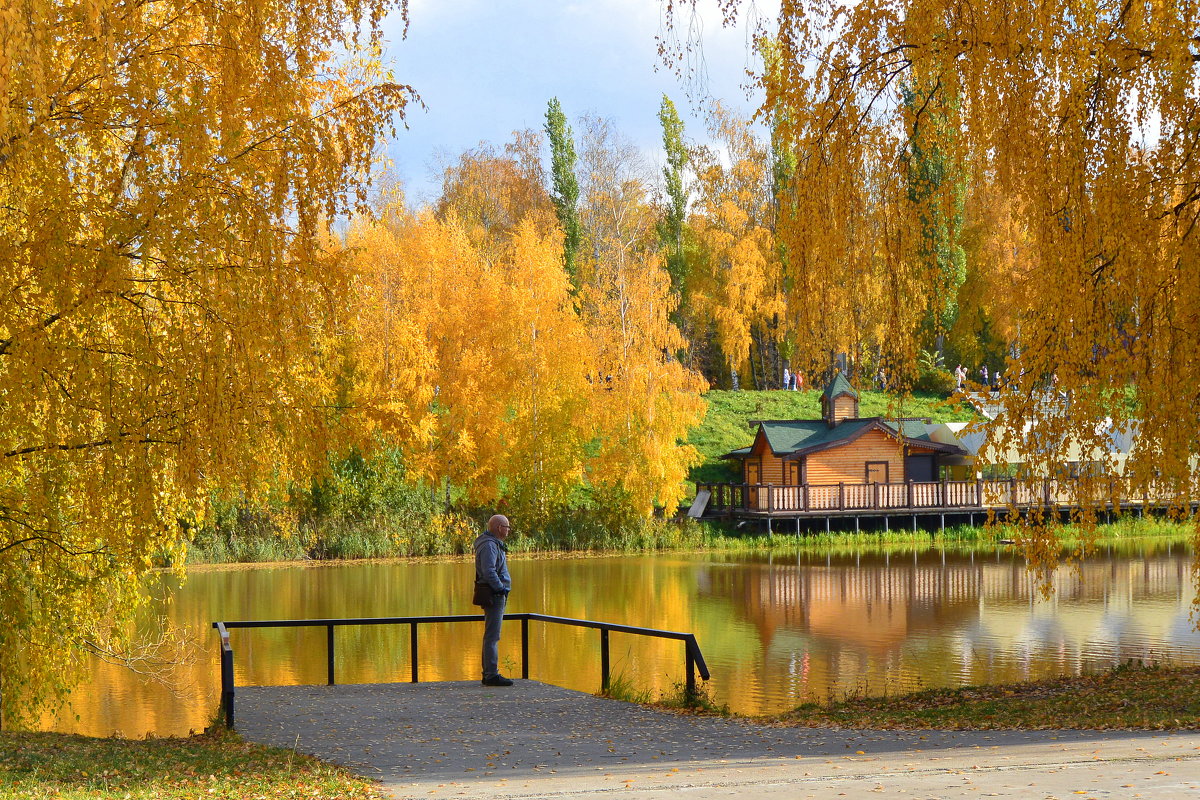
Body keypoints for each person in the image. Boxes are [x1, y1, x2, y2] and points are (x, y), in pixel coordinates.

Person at [474, 514, 513, 686]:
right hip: (494, 594)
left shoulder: (492, 544)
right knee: (492, 636)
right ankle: (490, 675)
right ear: (499, 528)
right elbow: (489, 571)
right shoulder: (489, 545)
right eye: (507, 527)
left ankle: (489, 673)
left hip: (496, 593)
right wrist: (500, 589)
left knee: (492, 635)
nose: (508, 530)